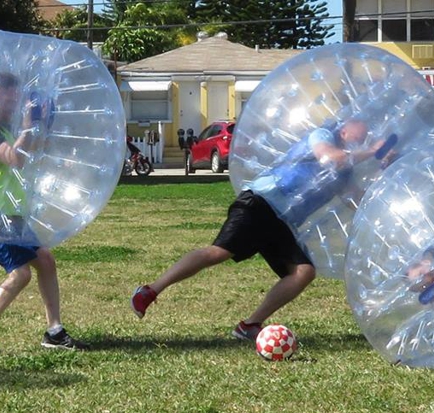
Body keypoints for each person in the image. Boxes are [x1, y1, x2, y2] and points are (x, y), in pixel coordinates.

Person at [130, 119, 388, 340]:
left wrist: (387, 176)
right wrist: (373, 153)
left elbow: (355, 198)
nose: (365, 137)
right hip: (261, 201)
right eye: (361, 132)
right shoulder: (322, 136)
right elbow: (328, 157)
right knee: (218, 253)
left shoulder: (345, 170)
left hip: (282, 221)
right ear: (344, 129)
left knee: (303, 272)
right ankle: (149, 291)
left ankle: (249, 326)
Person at [0, 72, 89, 350]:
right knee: (20, 275)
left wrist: (41, 126)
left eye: (17, 95)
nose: (16, 101)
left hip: (14, 216)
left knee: (46, 262)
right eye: (9, 95)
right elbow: (14, 159)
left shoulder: (8, 128)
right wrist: (27, 128)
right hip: (1, 218)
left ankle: (54, 332)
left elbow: (30, 154)